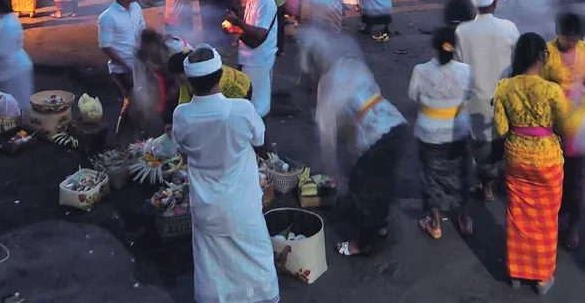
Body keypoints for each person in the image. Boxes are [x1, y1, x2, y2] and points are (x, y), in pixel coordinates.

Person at [171, 45, 280, 303]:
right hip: (242, 206)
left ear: (189, 81)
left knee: (212, 266)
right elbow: (262, 142)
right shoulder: (241, 110)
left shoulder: (182, 115)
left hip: (206, 207)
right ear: (220, 75)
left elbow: (182, 150)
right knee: (256, 258)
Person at [305, 42, 407, 256]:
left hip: (377, 135)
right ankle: (381, 225)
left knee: (362, 188)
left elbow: (327, 138)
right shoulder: (351, 65)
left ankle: (361, 243)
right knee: (383, 179)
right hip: (396, 123)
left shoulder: (327, 86)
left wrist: (335, 175)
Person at [493, 32, 567, 296]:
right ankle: (542, 278)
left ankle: (516, 272)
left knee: (518, 216)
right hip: (547, 160)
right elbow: (563, 126)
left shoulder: (504, 87)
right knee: (546, 219)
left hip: (516, 157)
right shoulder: (552, 90)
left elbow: (501, 128)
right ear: (541, 57)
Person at [455, 0, 520, 201]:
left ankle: (487, 187)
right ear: (495, 3)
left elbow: (459, 67)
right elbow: (518, 64)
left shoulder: (462, 31)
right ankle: (501, 182)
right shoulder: (509, 28)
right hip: (504, 98)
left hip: (475, 100)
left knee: (481, 145)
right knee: (502, 140)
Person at [409, 27, 474, 239]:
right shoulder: (466, 70)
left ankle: (435, 224)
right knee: (460, 174)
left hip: (429, 134)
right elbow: (468, 96)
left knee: (431, 178)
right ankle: (465, 219)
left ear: (434, 47)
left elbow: (413, 96)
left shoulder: (420, 70)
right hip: (458, 131)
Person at [540, 12, 585, 251]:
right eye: (563, 36)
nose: (567, 40)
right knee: (553, 176)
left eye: (572, 37)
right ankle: (555, 218)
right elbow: (540, 88)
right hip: (553, 127)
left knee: (576, 179)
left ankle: (573, 225)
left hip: (578, 127)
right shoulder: (548, 53)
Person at [97, 0, 145, 141]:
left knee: (140, 100)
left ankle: (136, 135)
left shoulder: (136, 8)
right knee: (131, 100)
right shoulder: (107, 17)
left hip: (138, 64)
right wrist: (125, 65)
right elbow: (105, 46)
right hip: (121, 69)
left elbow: (142, 30)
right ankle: (122, 138)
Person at [225, 0, 277, 120]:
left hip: (259, 57)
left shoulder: (266, 2)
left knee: (256, 97)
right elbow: (249, 26)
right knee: (257, 93)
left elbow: (260, 33)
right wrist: (234, 28)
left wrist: (237, 22)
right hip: (252, 55)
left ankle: (257, 126)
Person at [167, 49, 251, 106]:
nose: (176, 80)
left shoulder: (213, 81)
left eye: (177, 76)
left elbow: (210, 106)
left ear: (186, 72)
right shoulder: (190, 78)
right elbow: (184, 102)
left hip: (241, 89)